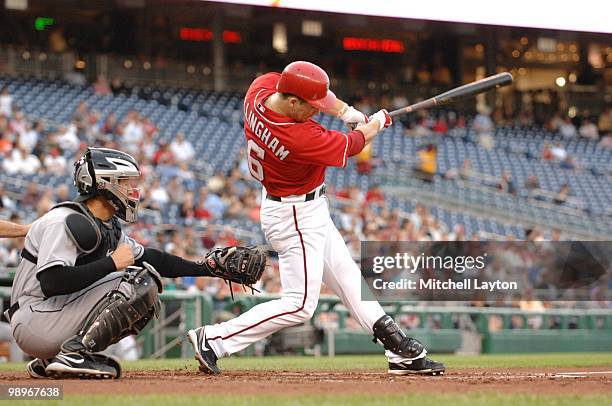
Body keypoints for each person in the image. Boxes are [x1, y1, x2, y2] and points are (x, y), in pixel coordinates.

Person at [188, 61, 445, 376]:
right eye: (312, 107)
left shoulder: (260, 91)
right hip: (293, 214)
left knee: (347, 277)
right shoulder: (298, 136)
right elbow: (352, 145)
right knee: (300, 304)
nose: (319, 111)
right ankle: (214, 339)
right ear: (293, 102)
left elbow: (315, 96)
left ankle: (398, 348)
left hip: (301, 206)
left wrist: (347, 112)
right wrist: (375, 124)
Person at [6, 147, 265, 379]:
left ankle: (55, 358)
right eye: (125, 182)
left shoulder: (105, 225)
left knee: (146, 283)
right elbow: (52, 281)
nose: (132, 190)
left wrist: (206, 268)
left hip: (47, 317)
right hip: (33, 318)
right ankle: (75, 354)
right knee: (138, 281)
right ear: (104, 183)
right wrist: (110, 264)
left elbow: (153, 258)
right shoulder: (64, 220)